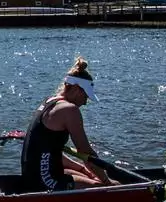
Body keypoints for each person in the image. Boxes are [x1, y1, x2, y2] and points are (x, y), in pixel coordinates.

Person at [18, 56, 112, 191]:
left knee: (91, 176)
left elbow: (49, 150)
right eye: (85, 96)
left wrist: (82, 169)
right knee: (101, 187)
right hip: (44, 182)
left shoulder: (49, 101)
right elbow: (85, 151)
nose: (85, 102)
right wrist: (107, 182)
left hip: (34, 175)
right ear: (77, 89)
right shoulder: (69, 110)